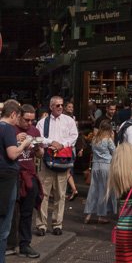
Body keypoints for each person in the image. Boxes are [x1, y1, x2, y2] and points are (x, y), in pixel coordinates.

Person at [35, 95, 78, 237]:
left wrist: (62, 145)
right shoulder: (42, 122)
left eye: (61, 105)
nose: (60, 107)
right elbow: (39, 138)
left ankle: (57, 224)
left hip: (62, 161)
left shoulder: (69, 120)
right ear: (51, 106)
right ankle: (41, 225)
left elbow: (74, 136)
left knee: (60, 194)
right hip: (47, 160)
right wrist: (52, 142)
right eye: (57, 105)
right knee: (44, 194)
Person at [6, 103, 42, 259]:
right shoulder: (11, 129)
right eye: (26, 120)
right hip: (13, 175)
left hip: (30, 174)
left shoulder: (34, 131)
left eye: (32, 120)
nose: (29, 124)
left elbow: (40, 154)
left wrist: (38, 149)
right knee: (10, 212)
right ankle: (9, 243)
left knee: (27, 212)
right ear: (19, 116)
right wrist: (15, 139)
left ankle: (25, 244)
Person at [0, 100, 35, 260]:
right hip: (7, 178)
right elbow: (12, 154)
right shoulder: (7, 128)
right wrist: (25, 144)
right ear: (13, 114)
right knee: (4, 224)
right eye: (18, 117)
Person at [84, 119, 116, 225]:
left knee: (93, 189)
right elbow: (115, 152)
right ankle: (101, 216)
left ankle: (88, 214)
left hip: (95, 166)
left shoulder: (95, 139)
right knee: (103, 191)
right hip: (106, 166)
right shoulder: (108, 140)